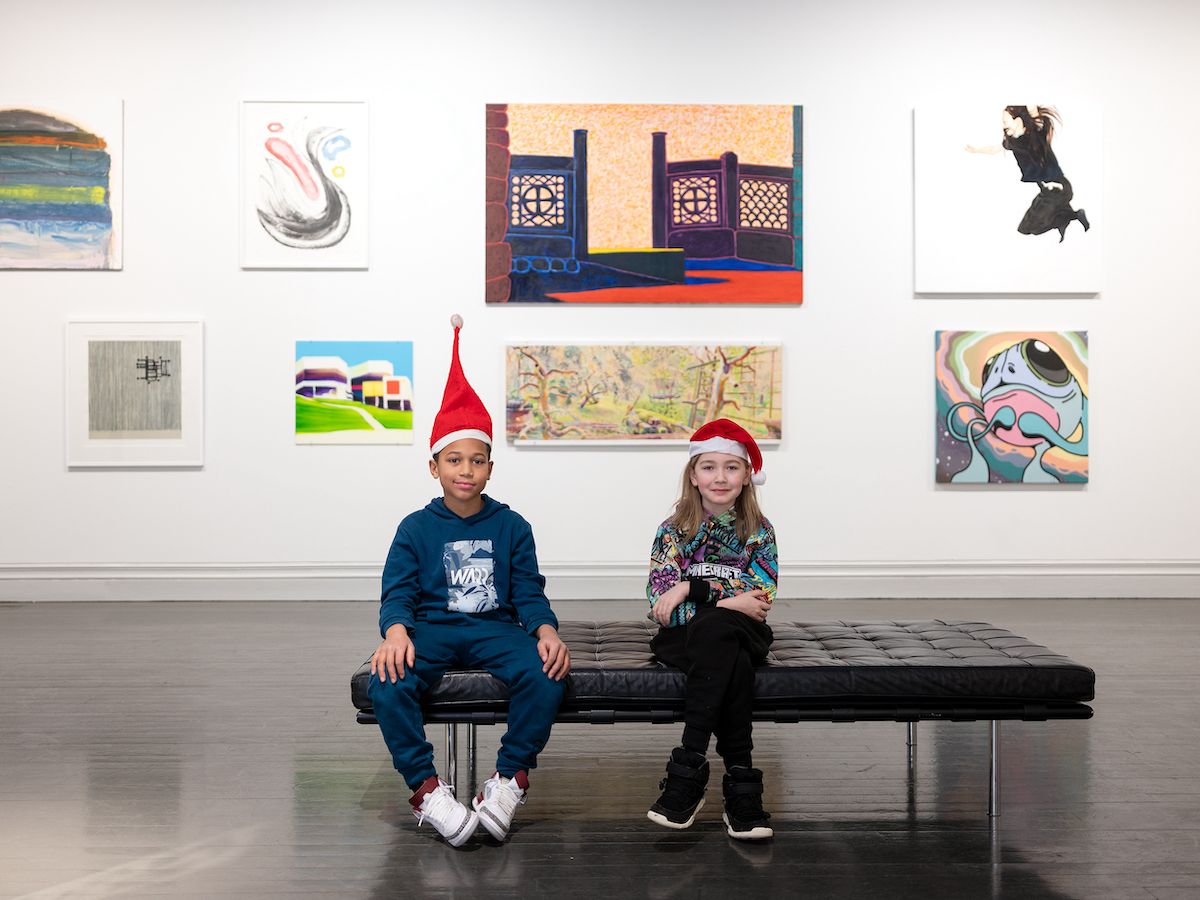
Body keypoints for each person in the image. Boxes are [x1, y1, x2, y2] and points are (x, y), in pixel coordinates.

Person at [368, 314, 570, 847]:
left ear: (490, 468)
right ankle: (427, 790)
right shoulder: (415, 528)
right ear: (433, 466)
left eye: (476, 460)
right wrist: (396, 632)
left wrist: (545, 630)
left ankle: (508, 780)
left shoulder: (511, 525)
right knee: (387, 681)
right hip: (432, 630)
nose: (466, 470)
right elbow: (398, 591)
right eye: (454, 460)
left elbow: (527, 591)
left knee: (547, 671)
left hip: (495, 629)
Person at [644, 418, 779, 841]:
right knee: (723, 645)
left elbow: (761, 600)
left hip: (742, 632)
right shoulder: (672, 531)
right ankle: (741, 784)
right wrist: (726, 600)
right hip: (688, 637)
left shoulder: (759, 532)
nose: (720, 477)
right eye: (709, 467)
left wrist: (692, 589)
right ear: (693, 475)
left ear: (746, 476)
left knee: (717, 631)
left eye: (731, 467)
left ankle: (688, 767)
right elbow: (662, 607)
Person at [966, 104, 1089, 242]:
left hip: (1058, 187)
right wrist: (976, 150)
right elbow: (994, 150)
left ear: (1018, 120)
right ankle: (1064, 219)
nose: (1003, 125)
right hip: (1047, 189)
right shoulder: (1012, 142)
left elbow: (1034, 111)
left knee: (1029, 228)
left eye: (1005, 121)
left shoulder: (1036, 132)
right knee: (1026, 227)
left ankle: (1072, 216)